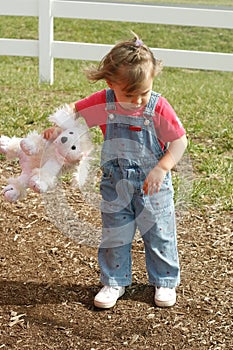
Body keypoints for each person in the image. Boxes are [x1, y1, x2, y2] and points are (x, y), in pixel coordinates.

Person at [44, 33, 187, 308]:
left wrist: (163, 167)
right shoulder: (105, 102)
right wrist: (60, 127)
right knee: (115, 233)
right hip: (115, 182)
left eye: (144, 92)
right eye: (130, 95)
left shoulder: (157, 107)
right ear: (111, 84)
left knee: (159, 232)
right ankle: (115, 280)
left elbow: (180, 141)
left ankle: (165, 281)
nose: (137, 101)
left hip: (152, 184)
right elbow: (75, 111)